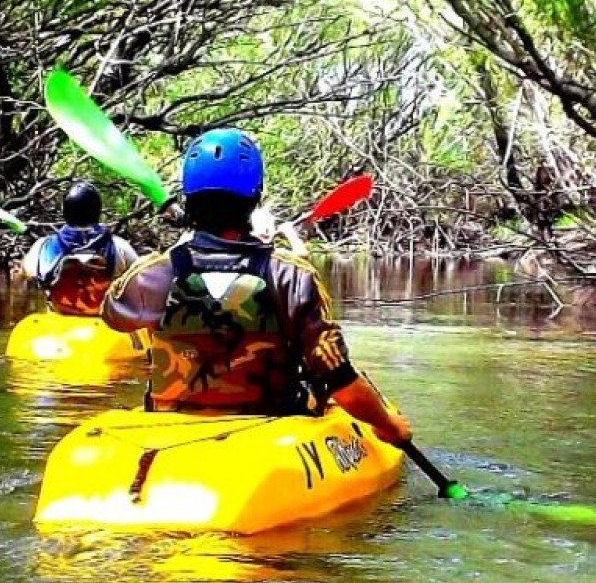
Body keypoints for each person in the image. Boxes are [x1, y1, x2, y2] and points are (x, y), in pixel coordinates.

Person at [101, 128, 413, 445]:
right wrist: (389, 425)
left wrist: (179, 248)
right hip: (269, 426)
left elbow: (114, 315)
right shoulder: (291, 276)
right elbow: (338, 378)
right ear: (255, 198)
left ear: (188, 197)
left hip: (170, 426)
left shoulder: (155, 272)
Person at [18, 181, 139, 316]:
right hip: (102, 319)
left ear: (66, 211)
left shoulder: (44, 246)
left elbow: (27, 272)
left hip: (58, 319)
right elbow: (139, 276)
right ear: (97, 211)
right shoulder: (119, 246)